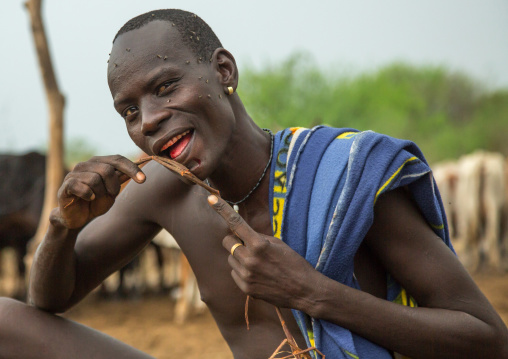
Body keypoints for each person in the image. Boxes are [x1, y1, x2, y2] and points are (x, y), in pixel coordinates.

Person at [0, 9, 506, 359]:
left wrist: (314, 293)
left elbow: (487, 341)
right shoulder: (161, 189)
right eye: (129, 111)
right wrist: (62, 227)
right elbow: (46, 303)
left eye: (165, 86)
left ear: (223, 70)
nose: (148, 120)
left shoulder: (345, 178)